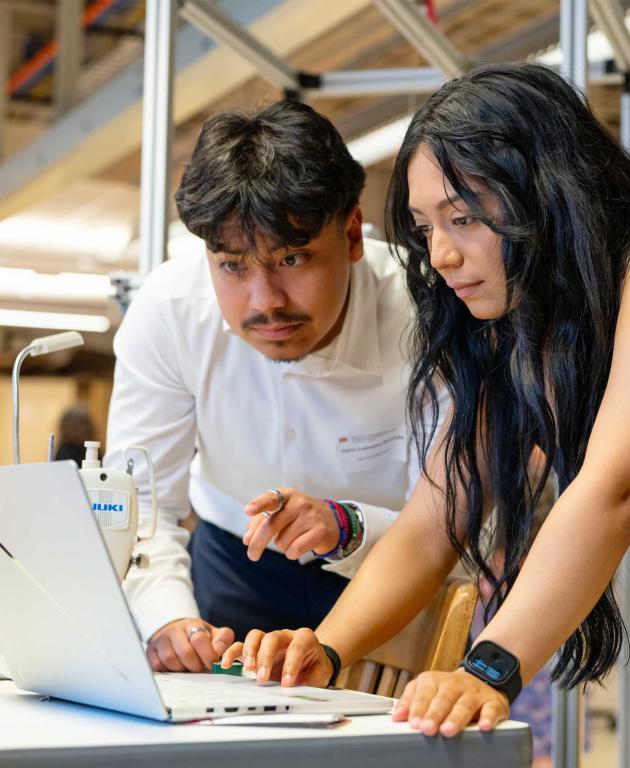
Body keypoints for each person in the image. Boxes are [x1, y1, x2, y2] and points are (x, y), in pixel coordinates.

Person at [221, 63, 630, 766]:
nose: (441, 254)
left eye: (465, 217)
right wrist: (325, 649)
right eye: (425, 226)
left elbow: (617, 489)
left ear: (544, 191)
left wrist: (487, 668)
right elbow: (436, 521)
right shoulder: (524, 321)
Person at [104, 100, 441, 675]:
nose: (266, 303)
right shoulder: (170, 312)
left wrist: (346, 525)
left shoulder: (430, 312)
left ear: (353, 235)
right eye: (232, 266)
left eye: (292, 258)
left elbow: (464, 519)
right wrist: (167, 620)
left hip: (396, 563)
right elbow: (138, 507)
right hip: (233, 565)